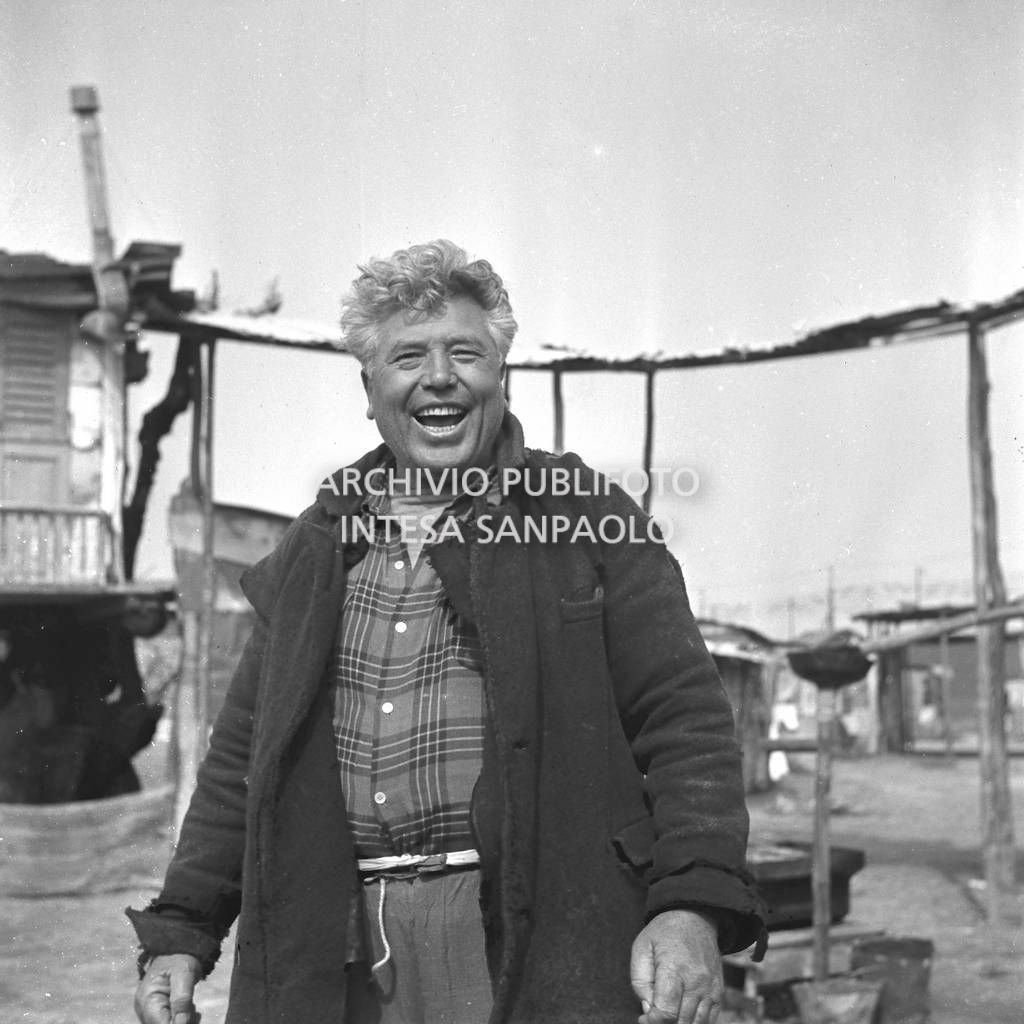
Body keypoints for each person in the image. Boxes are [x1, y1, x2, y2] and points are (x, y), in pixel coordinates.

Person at [130, 239, 766, 1024]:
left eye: (465, 351)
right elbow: (239, 764)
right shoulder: (317, 546)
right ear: (370, 388)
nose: (439, 377)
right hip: (337, 945)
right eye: (408, 357)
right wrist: (182, 931)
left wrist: (692, 903)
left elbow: (686, 722)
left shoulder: (584, 520)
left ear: (501, 373)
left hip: (527, 937)